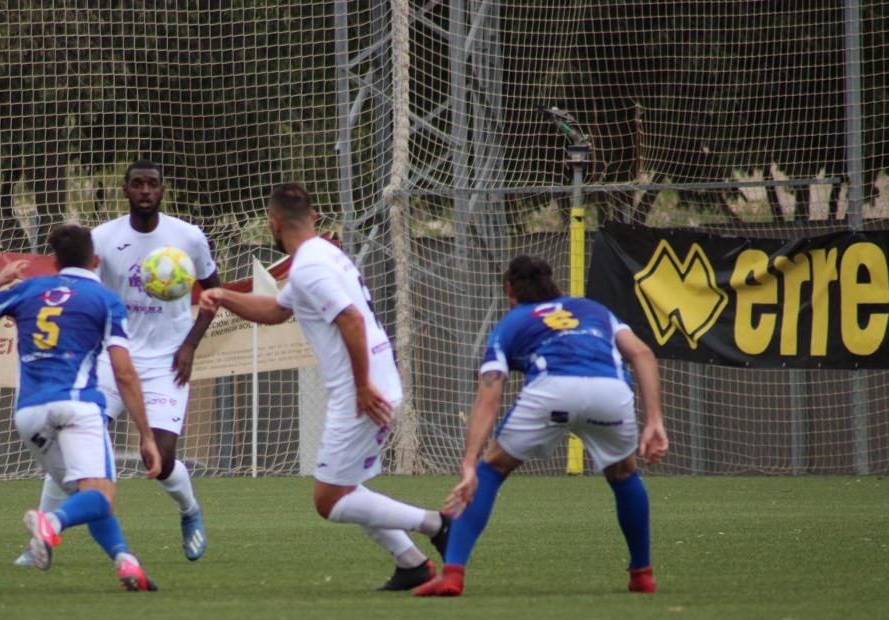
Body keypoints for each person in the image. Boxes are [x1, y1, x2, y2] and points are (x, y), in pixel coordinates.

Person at [199, 182, 451, 591]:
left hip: (363, 390)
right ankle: (412, 565)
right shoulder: (323, 254)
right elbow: (277, 311)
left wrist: (363, 386)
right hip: (370, 383)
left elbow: (349, 319)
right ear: (313, 217)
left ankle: (438, 525)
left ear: (273, 224)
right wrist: (224, 295)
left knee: (329, 500)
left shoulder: (309, 267)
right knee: (348, 488)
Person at [413, 255, 669, 597]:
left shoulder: (513, 322)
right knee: (624, 474)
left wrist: (470, 462)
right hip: (609, 392)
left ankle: (453, 574)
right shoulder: (594, 310)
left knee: (492, 468)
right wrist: (654, 421)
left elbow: (490, 393)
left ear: (509, 289)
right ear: (554, 284)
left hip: (552, 390)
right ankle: (642, 574)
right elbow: (643, 354)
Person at [0, 224, 161, 592]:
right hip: (77, 406)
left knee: (89, 497)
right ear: (95, 260)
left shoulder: (29, 289)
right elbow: (124, 373)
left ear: (54, 261)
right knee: (99, 496)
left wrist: (1, 279)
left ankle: (127, 562)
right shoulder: (105, 299)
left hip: (30, 415)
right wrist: (146, 435)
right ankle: (50, 525)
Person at [73, 160, 223, 562]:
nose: (144, 190)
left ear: (162, 189)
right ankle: (47, 530)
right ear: (125, 189)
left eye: (152, 184)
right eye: (137, 183)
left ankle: (189, 511)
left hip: (166, 361)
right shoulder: (102, 239)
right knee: (82, 434)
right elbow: (85, 290)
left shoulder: (188, 238)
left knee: (160, 455)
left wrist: (190, 346)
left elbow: (214, 296)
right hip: (113, 354)